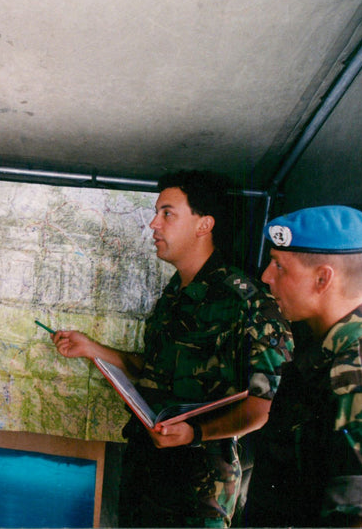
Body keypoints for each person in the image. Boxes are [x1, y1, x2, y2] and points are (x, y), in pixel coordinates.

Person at [51, 170, 293, 527]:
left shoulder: (247, 301)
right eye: (156, 212)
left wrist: (195, 433)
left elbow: (263, 408)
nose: (153, 224)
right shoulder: (174, 294)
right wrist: (93, 349)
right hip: (148, 475)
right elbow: (153, 371)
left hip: (199, 492)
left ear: (203, 224)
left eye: (167, 213)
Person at [243, 205, 362, 527]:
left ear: (322, 278)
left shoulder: (357, 372)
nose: (266, 277)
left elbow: (360, 518)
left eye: (279, 266)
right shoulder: (325, 353)